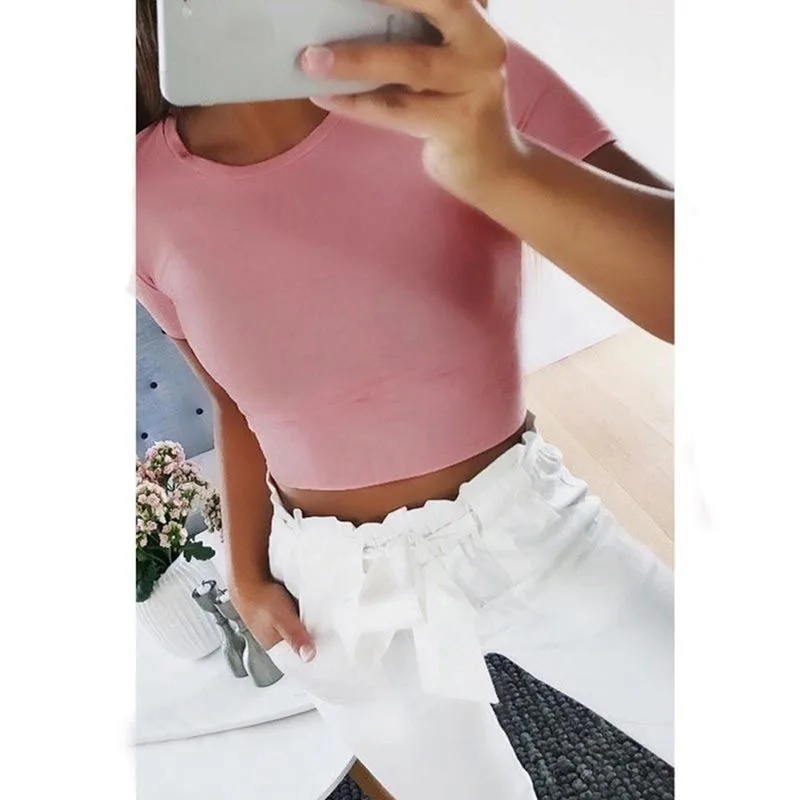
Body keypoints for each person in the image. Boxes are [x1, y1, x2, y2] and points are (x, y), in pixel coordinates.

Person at [136, 0, 674, 797]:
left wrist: (499, 159)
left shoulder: (462, 78)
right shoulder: (136, 193)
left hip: (529, 527)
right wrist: (246, 575)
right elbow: (234, 402)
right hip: (332, 592)